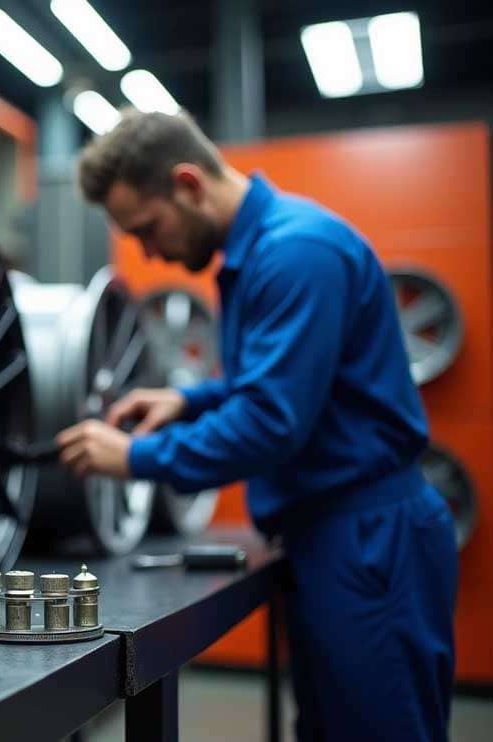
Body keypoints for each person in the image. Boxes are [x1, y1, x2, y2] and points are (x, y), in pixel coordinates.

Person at [56, 109, 457, 742]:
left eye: (148, 227)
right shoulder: (263, 252)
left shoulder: (294, 253)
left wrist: (133, 457)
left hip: (368, 541)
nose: (150, 251)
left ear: (188, 184)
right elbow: (287, 386)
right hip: (332, 537)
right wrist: (189, 403)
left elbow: (271, 422)